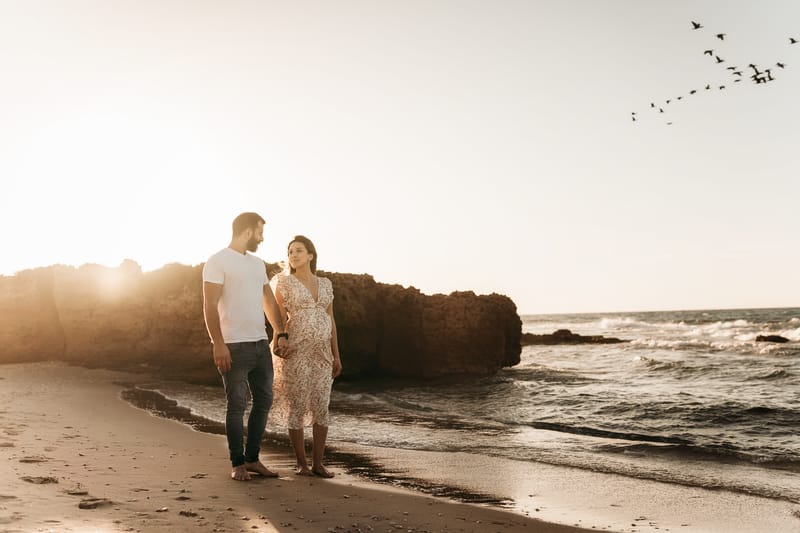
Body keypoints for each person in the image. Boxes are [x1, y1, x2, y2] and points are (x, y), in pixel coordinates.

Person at [202, 212, 291, 481]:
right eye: (260, 232)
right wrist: (218, 344)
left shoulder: (256, 264)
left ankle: (253, 459)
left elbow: (268, 301)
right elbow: (209, 306)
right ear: (248, 231)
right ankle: (237, 463)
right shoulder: (217, 261)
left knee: (264, 402)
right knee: (237, 405)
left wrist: (280, 333)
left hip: (260, 344)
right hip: (233, 346)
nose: (262, 238)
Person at [271, 235, 342, 478]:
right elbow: (278, 318)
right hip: (296, 350)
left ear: (310, 255)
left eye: (299, 250)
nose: (293, 255)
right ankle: (301, 464)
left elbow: (331, 320)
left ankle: (318, 464)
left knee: (322, 405)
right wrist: (278, 342)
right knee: (298, 406)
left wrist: (336, 355)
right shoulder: (284, 282)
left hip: (322, 354)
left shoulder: (325, 284)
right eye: (290, 251)